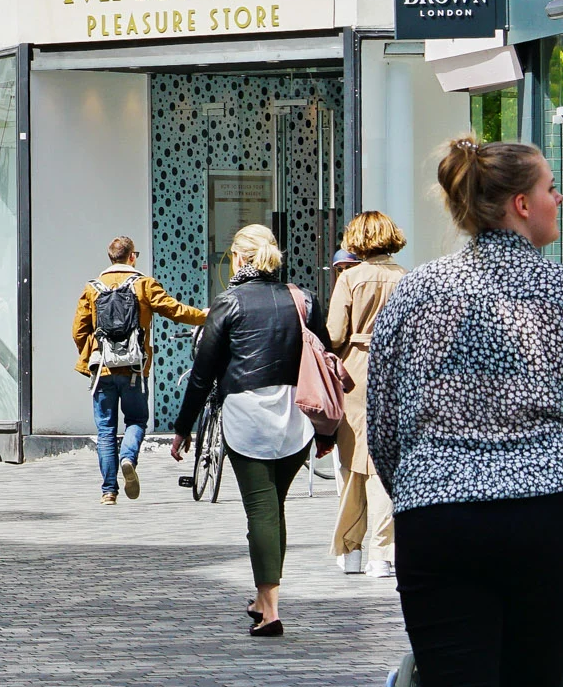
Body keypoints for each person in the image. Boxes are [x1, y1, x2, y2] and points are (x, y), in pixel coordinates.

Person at [366, 136, 563, 687]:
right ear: (521, 204)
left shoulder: (415, 293)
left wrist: (422, 483)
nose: (559, 198)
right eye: (550, 188)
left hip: (438, 515)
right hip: (547, 513)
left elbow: (383, 425)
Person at [167, 223, 315, 638]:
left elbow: (202, 373)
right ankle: (262, 599)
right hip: (294, 415)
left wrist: (183, 428)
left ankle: (270, 610)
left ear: (238, 257)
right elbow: (323, 355)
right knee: (274, 508)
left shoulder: (228, 303)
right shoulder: (301, 299)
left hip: (247, 414)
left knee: (261, 511)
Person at [69, 236, 207, 506]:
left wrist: (91, 356)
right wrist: (205, 316)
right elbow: (174, 309)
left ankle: (109, 491)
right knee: (136, 420)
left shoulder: (93, 288)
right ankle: (128, 458)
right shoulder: (143, 284)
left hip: (103, 371)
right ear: (131, 256)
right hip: (134, 368)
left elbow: (78, 330)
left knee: (106, 430)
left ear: (111, 258)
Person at [322, 211, 410, 579]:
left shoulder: (351, 279)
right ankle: (382, 552)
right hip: (396, 371)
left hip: (356, 373)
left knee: (352, 464)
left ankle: (351, 548)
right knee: (386, 465)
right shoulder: (408, 279)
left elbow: (335, 334)